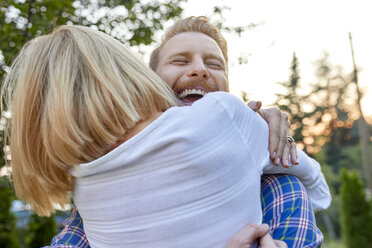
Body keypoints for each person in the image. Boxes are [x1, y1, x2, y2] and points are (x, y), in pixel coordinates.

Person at [3, 25, 330, 248]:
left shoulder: (85, 181)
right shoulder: (229, 119)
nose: (199, 70)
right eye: (179, 60)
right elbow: (316, 185)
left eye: (214, 63)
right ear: (145, 79)